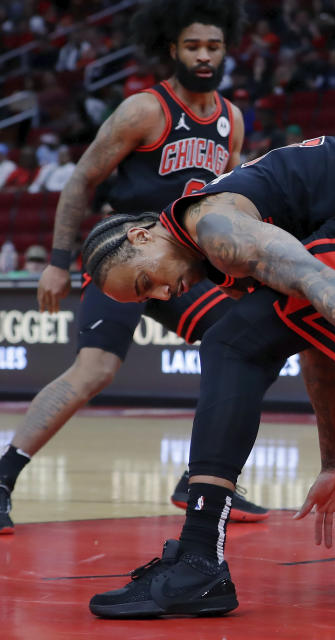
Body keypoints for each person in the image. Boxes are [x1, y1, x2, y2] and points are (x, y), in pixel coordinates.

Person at [83, 135, 335, 617]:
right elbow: (316, 334)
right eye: (152, 298)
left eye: (148, 282)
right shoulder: (215, 244)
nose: (167, 294)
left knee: (230, 344)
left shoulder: (217, 228)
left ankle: (198, 559)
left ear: (141, 235)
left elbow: (312, 274)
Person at [0, 0, 266, 537]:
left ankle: (203, 479)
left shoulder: (231, 120)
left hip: (183, 261)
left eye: (213, 46)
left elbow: (232, 193)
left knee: (245, 345)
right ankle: (3, 477)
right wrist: (56, 262)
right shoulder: (144, 109)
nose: (204, 55)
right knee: (95, 370)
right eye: (193, 46)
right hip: (126, 255)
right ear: (172, 49)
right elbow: (80, 180)